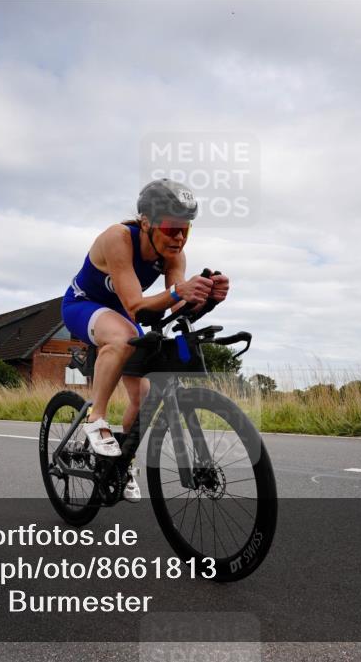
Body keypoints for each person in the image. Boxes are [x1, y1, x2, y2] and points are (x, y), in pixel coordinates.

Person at [61, 179, 229, 502]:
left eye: (186, 229)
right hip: (83, 305)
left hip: (122, 315)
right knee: (123, 337)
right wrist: (179, 291)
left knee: (145, 394)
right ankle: (96, 418)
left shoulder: (174, 255)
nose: (178, 237)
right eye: (170, 227)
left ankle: (124, 463)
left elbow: (177, 304)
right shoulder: (118, 239)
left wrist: (207, 297)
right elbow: (137, 307)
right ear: (147, 222)